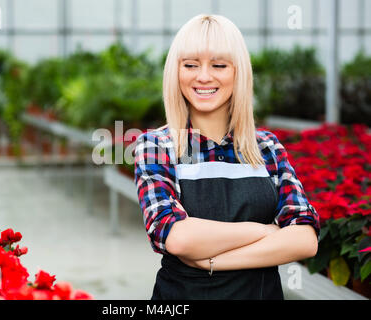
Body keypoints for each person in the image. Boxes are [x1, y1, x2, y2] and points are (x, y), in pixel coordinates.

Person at [133, 14, 320, 300]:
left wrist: (213, 261)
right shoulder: (157, 146)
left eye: (219, 65)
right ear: (176, 71)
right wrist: (266, 231)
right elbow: (177, 237)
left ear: (238, 72)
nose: (204, 76)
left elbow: (305, 239)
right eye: (191, 65)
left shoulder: (266, 148)